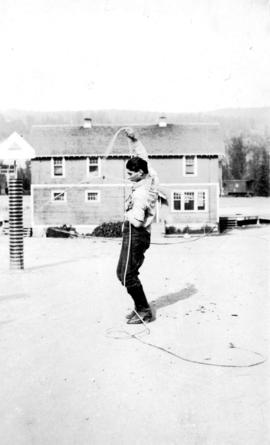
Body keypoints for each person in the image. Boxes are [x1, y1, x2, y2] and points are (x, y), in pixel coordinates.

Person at [116, 128, 159, 324]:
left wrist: (126, 214)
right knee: (126, 272)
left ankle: (144, 311)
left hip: (137, 233)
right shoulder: (149, 175)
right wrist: (134, 139)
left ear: (140, 173)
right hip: (135, 235)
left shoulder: (142, 193)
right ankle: (139, 306)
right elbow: (143, 156)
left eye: (130, 173)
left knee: (126, 274)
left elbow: (138, 221)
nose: (127, 175)